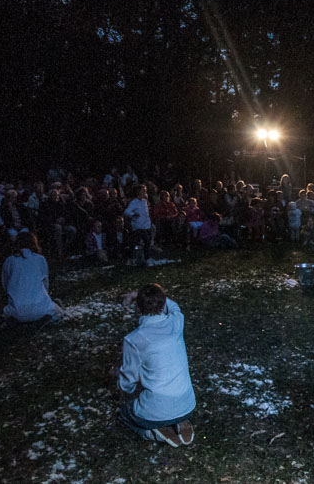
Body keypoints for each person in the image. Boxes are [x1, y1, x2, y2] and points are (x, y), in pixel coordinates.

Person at [117, 283, 196, 447]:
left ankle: (151, 432)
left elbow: (128, 380)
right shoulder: (176, 322)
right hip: (187, 406)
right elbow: (174, 306)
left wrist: (123, 387)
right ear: (163, 303)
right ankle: (179, 421)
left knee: (124, 412)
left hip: (156, 410)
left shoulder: (134, 339)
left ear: (139, 307)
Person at [2, 232, 62, 323]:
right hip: (41, 308)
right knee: (58, 310)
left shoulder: (9, 261)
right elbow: (45, 283)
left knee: (9, 311)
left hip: (17, 310)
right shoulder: (40, 259)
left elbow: (5, 283)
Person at [124, 185, 153, 263]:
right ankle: (134, 258)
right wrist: (133, 215)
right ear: (138, 192)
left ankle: (144, 258)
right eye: (143, 191)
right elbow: (126, 211)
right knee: (139, 242)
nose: (145, 192)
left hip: (145, 226)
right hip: (138, 226)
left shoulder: (144, 201)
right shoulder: (134, 202)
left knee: (146, 242)